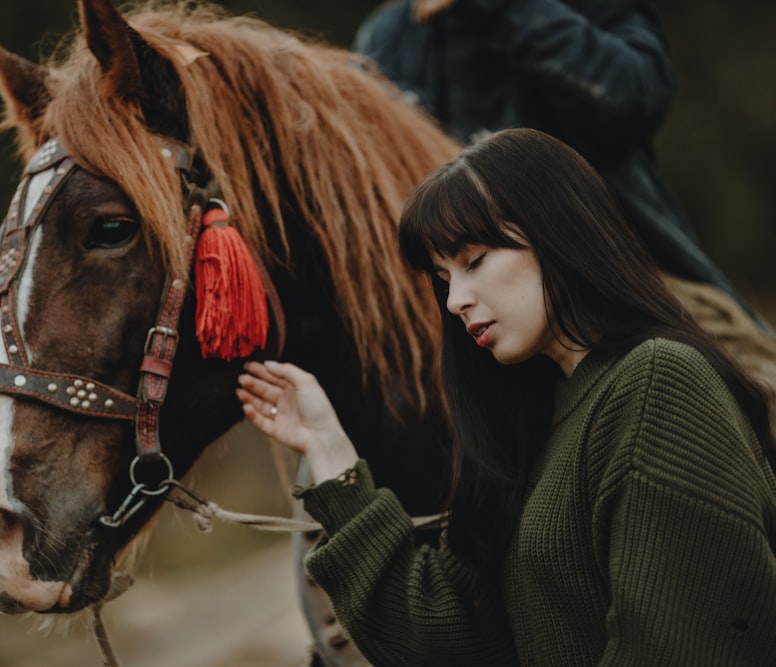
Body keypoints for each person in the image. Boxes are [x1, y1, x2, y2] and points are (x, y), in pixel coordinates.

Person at [236, 129, 776, 665]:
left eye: (474, 260)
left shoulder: (658, 384)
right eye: (443, 277)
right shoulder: (534, 420)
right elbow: (445, 641)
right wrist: (329, 449)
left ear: (560, 230)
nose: (455, 300)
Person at [353, 0, 773, 336]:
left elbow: (634, 97)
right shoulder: (387, 37)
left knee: (757, 393)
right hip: (451, 308)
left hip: (623, 273)